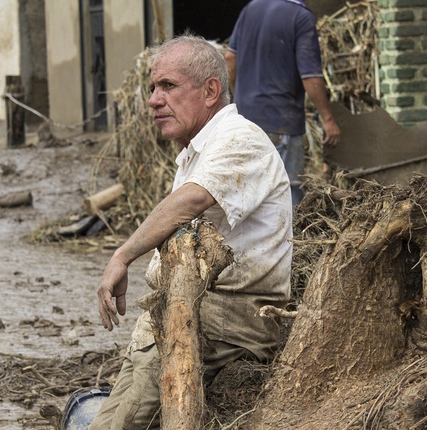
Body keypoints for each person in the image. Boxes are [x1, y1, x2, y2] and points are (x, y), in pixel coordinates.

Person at [90, 34, 293, 429]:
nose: (153, 100)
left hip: (221, 319)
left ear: (211, 91)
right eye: (152, 88)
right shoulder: (197, 151)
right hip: (174, 312)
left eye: (167, 86)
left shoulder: (240, 139)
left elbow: (192, 201)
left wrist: (122, 255)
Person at [225, 0, 341, 204]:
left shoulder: (250, 9)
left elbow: (229, 59)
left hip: (244, 124)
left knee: (248, 197)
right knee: (287, 200)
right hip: (281, 124)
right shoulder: (301, 16)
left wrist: (239, 98)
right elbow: (311, 77)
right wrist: (328, 119)